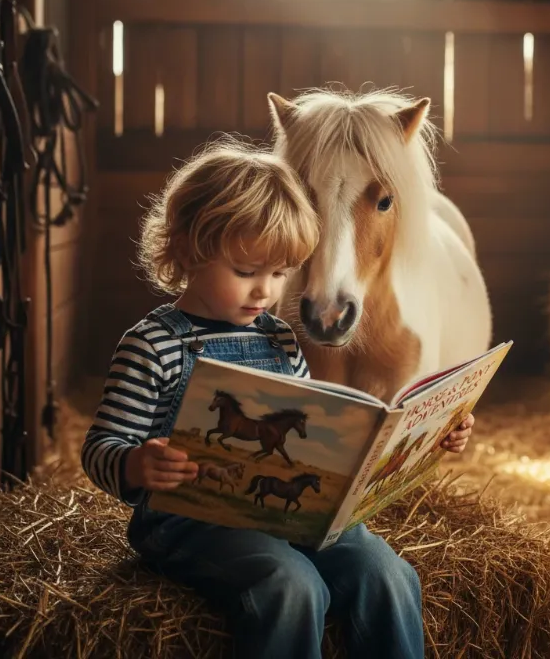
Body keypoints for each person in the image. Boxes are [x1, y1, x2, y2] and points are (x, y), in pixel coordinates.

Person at [80, 137, 475, 659]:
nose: (265, 291)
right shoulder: (151, 345)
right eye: (246, 272)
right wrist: (135, 464)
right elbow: (101, 445)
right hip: (189, 522)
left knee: (387, 573)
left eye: (281, 273)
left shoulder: (279, 338)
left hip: (288, 513)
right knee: (292, 585)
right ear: (185, 250)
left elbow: (317, 431)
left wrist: (427, 436)